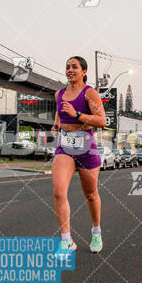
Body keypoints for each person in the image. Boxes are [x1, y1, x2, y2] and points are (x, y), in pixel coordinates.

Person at [52, 56, 106, 255]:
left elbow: (101, 120)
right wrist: (57, 123)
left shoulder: (90, 93)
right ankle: (66, 241)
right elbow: (60, 111)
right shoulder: (59, 93)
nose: (70, 70)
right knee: (58, 192)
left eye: (74, 67)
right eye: (67, 67)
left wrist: (77, 115)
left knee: (91, 195)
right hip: (65, 146)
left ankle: (96, 231)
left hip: (86, 147)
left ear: (84, 71)